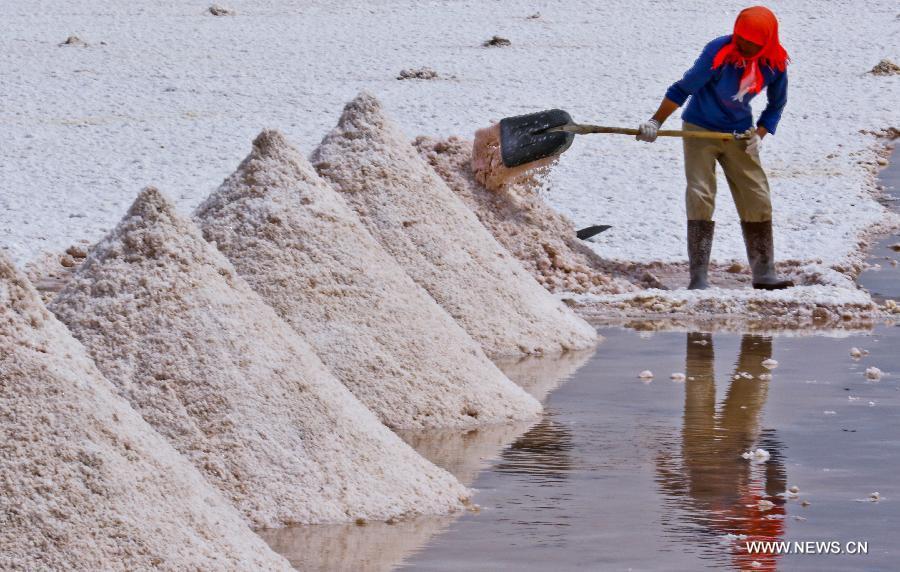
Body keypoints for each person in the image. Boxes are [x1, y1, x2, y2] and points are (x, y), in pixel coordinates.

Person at [636, 6, 794, 290]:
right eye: (741, 40)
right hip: (700, 130)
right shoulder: (719, 52)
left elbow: (776, 105)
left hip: (739, 135)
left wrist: (759, 135)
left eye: (752, 44)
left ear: (767, 42)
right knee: (701, 193)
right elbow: (682, 89)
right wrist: (655, 122)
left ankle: (764, 272)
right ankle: (699, 278)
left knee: (756, 195)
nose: (745, 47)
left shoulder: (774, 64)